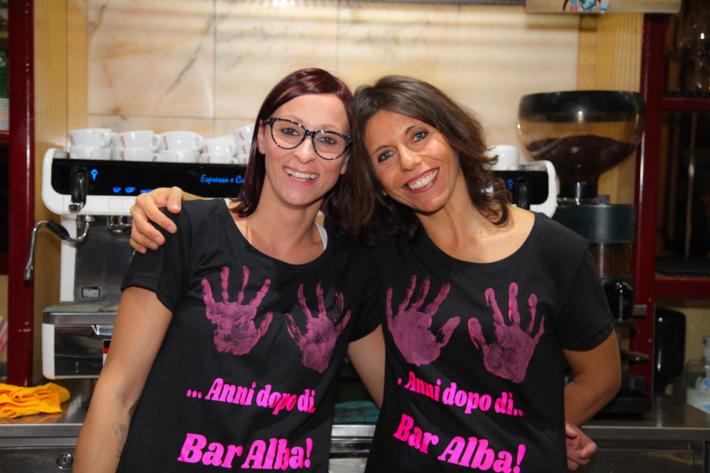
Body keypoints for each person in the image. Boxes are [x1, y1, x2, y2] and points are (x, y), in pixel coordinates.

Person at [129, 75, 617, 472]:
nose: (409, 162)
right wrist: (176, 203)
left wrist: (534, 436)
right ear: (372, 177)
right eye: (384, 155)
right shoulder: (380, 247)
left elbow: (602, 377)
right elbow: (281, 212)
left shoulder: (556, 251)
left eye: (419, 136)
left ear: (453, 134)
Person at [73, 68, 385, 473]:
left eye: (328, 140)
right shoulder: (183, 232)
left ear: (345, 161)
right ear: (262, 138)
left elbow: (401, 398)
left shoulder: (353, 269)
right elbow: (117, 394)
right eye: (289, 131)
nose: (305, 154)